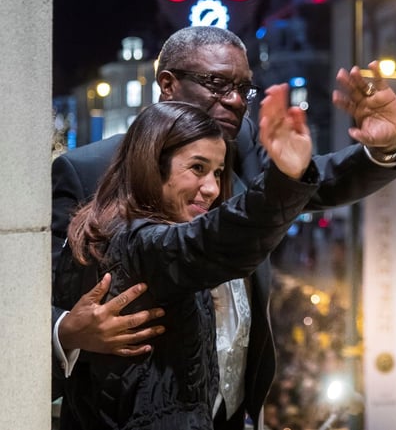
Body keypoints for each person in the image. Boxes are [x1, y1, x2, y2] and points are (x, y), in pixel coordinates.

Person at [51, 25, 396, 428]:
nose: (236, 101)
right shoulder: (87, 172)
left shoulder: (240, 150)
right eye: (218, 84)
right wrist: (65, 331)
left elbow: (310, 183)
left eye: (244, 88)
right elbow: (36, 295)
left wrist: (381, 149)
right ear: (167, 84)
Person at [54, 87, 315, 428]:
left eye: (218, 172)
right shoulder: (137, 242)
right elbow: (216, 240)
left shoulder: (109, 226)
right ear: (152, 165)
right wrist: (284, 181)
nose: (211, 188)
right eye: (197, 168)